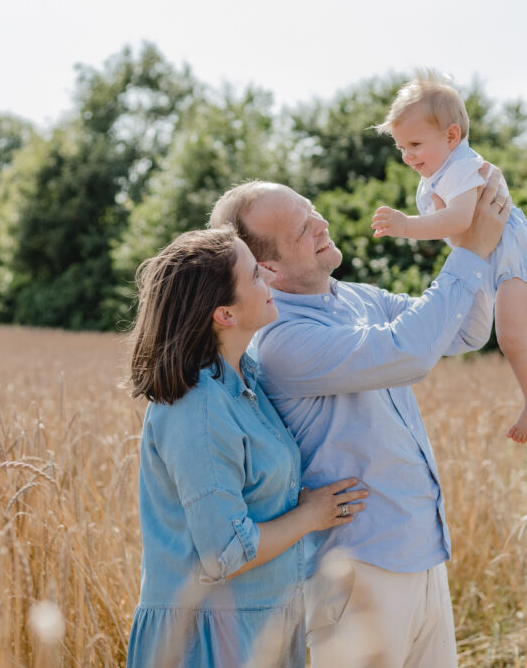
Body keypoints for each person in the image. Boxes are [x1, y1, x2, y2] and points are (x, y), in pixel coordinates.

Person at [208, 170, 509, 668]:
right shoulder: (282, 340)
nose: (321, 223)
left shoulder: (360, 298)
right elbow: (408, 352)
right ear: (268, 268)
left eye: (310, 210)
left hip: (423, 550)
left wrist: (469, 233)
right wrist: (471, 251)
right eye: (301, 229)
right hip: (357, 570)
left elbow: (463, 333)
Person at [125, 227, 369, 668]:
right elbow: (225, 553)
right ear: (225, 315)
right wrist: (311, 515)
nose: (270, 279)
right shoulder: (197, 406)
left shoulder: (244, 379)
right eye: (255, 276)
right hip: (206, 638)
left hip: (258, 626)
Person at [371, 70, 527, 444]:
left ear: (451, 136)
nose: (407, 156)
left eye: (414, 144)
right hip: (498, 264)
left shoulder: (461, 167)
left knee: (511, 337)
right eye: (401, 148)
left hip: (513, 260)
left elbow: (460, 221)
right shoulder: (437, 172)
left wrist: (406, 225)